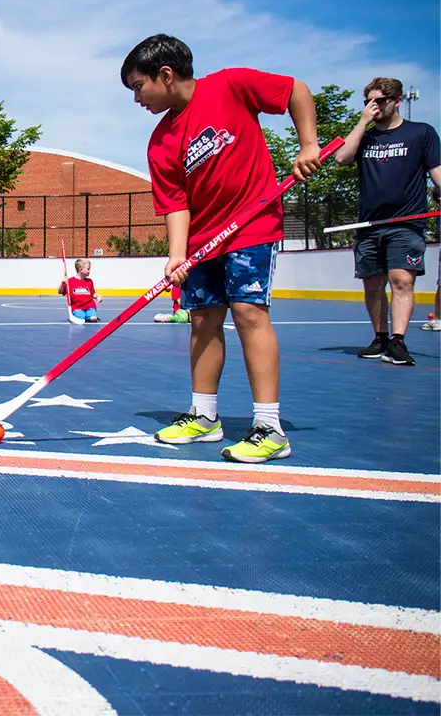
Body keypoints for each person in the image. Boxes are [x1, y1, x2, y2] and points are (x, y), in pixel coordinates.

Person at [121, 34, 322, 463]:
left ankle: (269, 427)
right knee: (202, 322)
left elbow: (296, 92)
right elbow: (176, 202)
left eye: (138, 87)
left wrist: (308, 145)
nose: (136, 98)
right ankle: (205, 416)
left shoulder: (230, 85)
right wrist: (178, 254)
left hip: (252, 226)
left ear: (166, 75)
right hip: (202, 243)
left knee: (249, 314)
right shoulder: (160, 142)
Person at [334, 77, 441, 364]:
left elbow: (437, 172)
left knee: (401, 280)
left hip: (406, 222)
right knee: (372, 285)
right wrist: (362, 122)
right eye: (368, 101)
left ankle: (398, 341)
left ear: (396, 101)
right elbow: (342, 158)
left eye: (379, 101)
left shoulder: (422, 133)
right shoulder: (365, 137)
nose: (374, 106)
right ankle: (380, 337)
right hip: (369, 225)